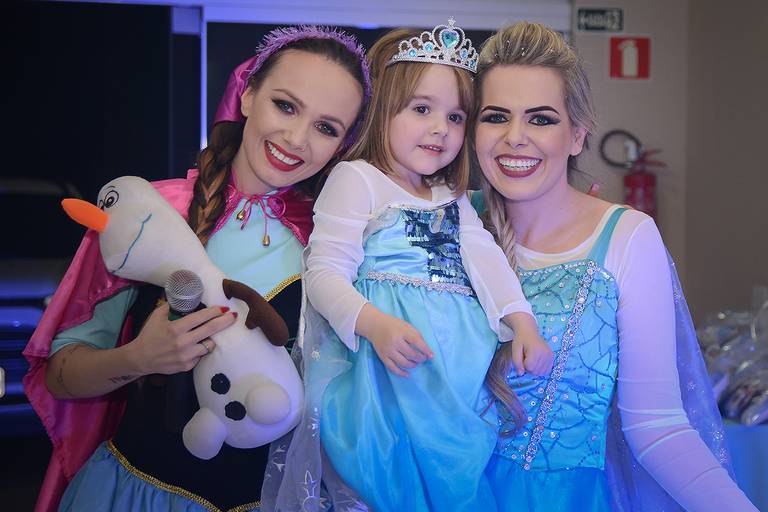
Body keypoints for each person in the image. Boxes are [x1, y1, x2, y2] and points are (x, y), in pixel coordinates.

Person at [23, 25, 370, 512]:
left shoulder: (337, 242)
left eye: (326, 128)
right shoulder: (148, 214)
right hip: (138, 495)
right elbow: (59, 376)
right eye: (285, 106)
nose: (296, 138)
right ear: (248, 95)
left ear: (342, 144)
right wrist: (138, 358)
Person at [264, 21, 553, 512]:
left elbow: (486, 260)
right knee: (387, 477)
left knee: (453, 478)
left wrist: (522, 322)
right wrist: (375, 325)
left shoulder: (450, 195)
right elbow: (325, 272)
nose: (442, 128)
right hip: (385, 369)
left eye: (456, 116)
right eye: (422, 109)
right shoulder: (358, 179)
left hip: (455, 372)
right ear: (382, 111)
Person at [471, 21, 757, 512]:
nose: (515, 137)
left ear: (577, 135)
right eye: (496, 116)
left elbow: (658, 427)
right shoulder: (448, 224)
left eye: (541, 119)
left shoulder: (627, 237)